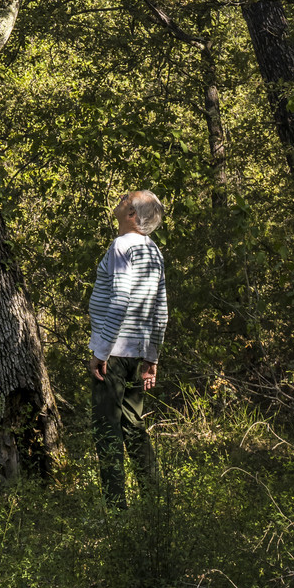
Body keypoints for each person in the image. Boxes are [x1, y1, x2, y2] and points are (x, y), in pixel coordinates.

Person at [88, 188, 168, 507]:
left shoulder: (122, 245)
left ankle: (116, 510)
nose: (119, 200)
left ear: (132, 214)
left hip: (115, 354)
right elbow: (159, 307)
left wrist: (101, 352)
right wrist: (152, 357)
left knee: (108, 430)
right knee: (133, 427)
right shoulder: (153, 250)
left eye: (124, 199)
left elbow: (120, 299)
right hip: (136, 353)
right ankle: (154, 502)